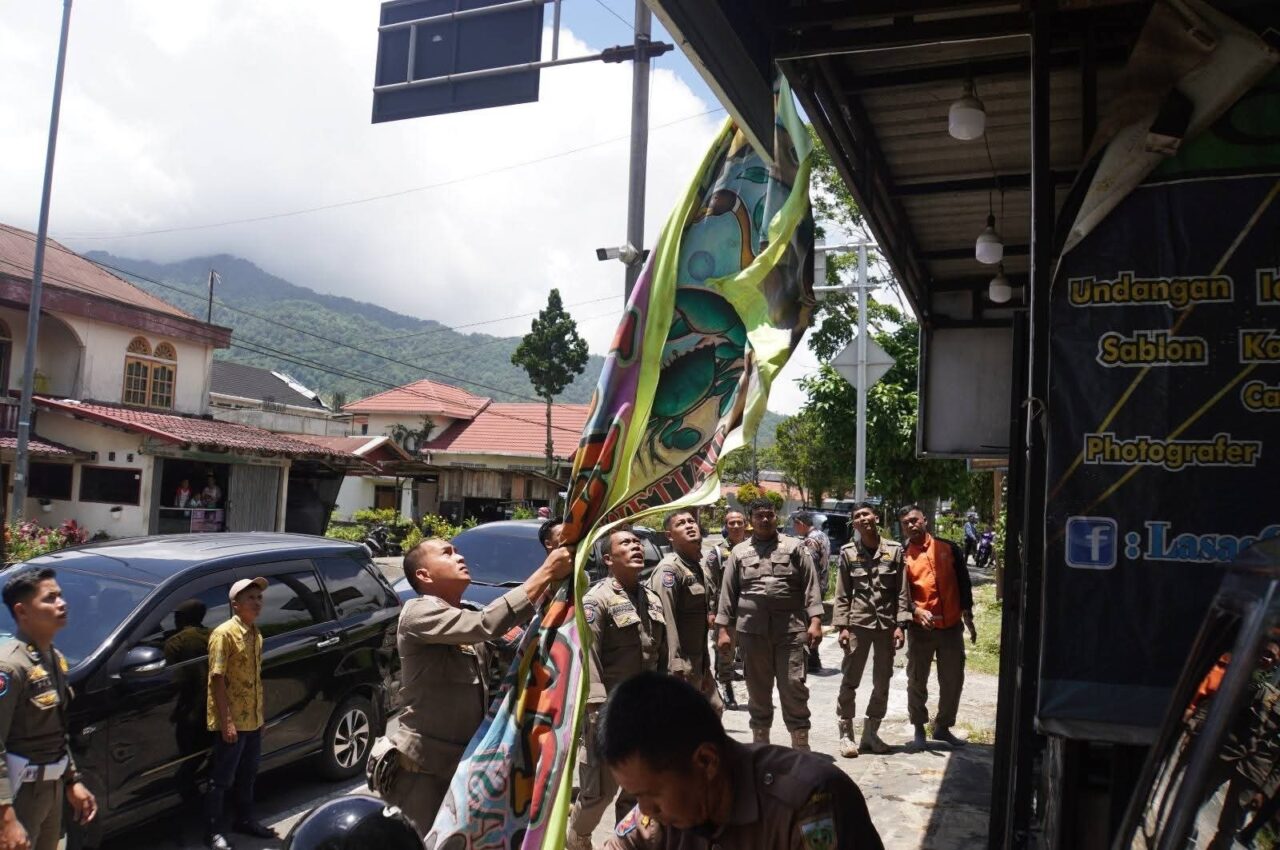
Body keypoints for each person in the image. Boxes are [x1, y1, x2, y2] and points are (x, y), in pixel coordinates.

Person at [376, 537, 572, 837]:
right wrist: (545, 571)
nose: (459, 556)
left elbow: (518, 639)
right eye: (447, 553)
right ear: (424, 576)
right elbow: (488, 623)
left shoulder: (464, 612)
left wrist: (556, 587)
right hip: (422, 773)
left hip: (464, 768)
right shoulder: (418, 614)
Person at [599, 672, 884, 850]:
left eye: (650, 795)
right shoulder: (662, 816)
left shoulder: (808, 802)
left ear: (707, 761)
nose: (646, 809)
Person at [566, 528, 666, 850]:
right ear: (608, 559)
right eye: (626, 543)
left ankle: (627, 841)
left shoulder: (650, 598)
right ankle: (577, 837)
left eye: (638, 543)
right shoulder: (597, 600)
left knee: (639, 787)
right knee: (599, 791)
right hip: (610, 711)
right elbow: (588, 655)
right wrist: (596, 709)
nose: (636, 546)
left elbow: (659, 653)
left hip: (646, 711)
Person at [0, 568, 97, 850]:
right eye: (50, 598)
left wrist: (71, 781)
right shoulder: (10, 667)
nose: (62, 603)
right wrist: (6, 818)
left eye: (60, 595)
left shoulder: (53, 659)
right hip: (18, 795)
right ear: (22, 611)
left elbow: (56, 730)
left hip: (50, 791)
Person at [715, 499, 823, 750]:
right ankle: (760, 746)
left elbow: (811, 586)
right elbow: (727, 594)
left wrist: (816, 620)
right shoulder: (740, 552)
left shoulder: (795, 547)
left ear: (776, 517)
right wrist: (722, 630)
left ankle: (800, 745)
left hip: (790, 632)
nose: (765, 520)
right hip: (752, 633)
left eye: (770, 515)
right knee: (757, 690)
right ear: (751, 520)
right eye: (759, 516)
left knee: (794, 685)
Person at [897, 505, 976, 750]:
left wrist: (968, 615)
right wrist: (914, 611)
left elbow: (963, 582)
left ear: (925, 520)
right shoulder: (902, 555)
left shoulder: (949, 548)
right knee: (917, 680)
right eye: (905, 523)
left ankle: (942, 727)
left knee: (953, 680)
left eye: (914, 520)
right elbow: (900, 594)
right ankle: (919, 727)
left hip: (952, 626)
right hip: (922, 630)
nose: (911, 525)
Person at [832, 502, 906, 758]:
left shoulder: (895, 551)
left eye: (866, 514)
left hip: (886, 626)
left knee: (882, 681)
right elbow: (842, 593)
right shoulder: (848, 552)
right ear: (853, 523)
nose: (862, 519)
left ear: (876, 517)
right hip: (858, 624)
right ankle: (846, 734)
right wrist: (842, 627)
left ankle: (871, 733)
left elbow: (902, 592)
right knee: (850, 679)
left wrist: (900, 625)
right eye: (857, 517)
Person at [205, 577, 274, 850]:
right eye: (250, 599)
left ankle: (244, 820)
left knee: (248, 773)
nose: (257, 603)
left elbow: (255, 678)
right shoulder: (224, 635)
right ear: (235, 605)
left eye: (259, 598)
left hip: (252, 720)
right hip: (232, 721)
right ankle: (212, 831)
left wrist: (261, 717)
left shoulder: (255, 633)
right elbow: (216, 679)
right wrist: (227, 722)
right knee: (222, 778)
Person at [650, 511, 722, 713]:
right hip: (680, 665)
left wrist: (706, 667)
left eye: (691, 521)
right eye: (681, 523)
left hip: (698, 663)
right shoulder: (670, 570)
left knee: (714, 709)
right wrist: (675, 666)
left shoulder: (696, 567)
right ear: (670, 536)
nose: (689, 525)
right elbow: (666, 620)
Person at [703, 509, 747, 708]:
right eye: (732, 523)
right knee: (725, 650)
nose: (736, 526)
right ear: (726, 526)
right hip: (726, 609)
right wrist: (711, 612)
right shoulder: (718, 552)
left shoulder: (753, 548)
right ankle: (726, 688)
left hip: (750, 610)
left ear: (746, 524)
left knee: (750, 651)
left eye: (739, 522)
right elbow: (710, 583)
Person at [792, 512, 831, 673]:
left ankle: (812, 661)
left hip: (813, 589)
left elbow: (810, 568)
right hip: (822, 586)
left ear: (801, 523)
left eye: (795, 525)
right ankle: (812, 660)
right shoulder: (822, 535)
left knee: (808, 624)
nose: (795, 530)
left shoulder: (810, 541)